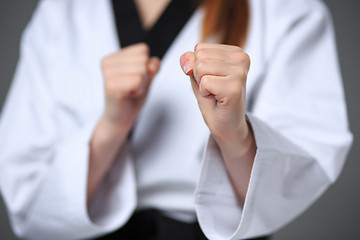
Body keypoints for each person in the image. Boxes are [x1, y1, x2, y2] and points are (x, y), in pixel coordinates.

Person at [0, 0, 353, 239]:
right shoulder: (62, 11)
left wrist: (235, 136)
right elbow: (25, 192)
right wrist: (110, 129)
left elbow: (290, 185)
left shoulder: (287, 10)